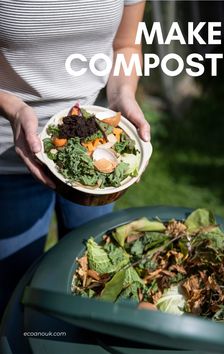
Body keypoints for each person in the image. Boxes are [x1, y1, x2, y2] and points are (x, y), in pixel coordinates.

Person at [0, 0, 150, 318]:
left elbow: (126, 46)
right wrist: (13, 110)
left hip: (91, 152)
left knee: (92, 283)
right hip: (9, 158)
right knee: (11, 294)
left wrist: (122, 95)